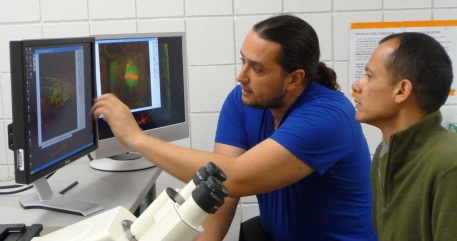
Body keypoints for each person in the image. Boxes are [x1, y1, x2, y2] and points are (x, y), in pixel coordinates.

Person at [92, 14, 377, 241]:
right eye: (243, 61)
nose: (241, 76)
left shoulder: (329, 116)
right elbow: (219, 190)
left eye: (257, 68)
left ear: (294, 79)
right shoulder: (244, 100)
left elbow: (234, 178)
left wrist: (136, 139)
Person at [352, 32, 457, 240]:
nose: (357, 85)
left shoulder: (449, 164)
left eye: (369, 76)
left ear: (401, 90)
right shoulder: (385, 155)